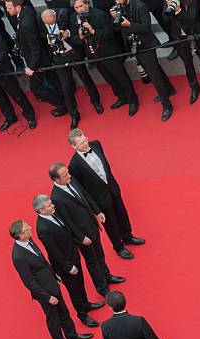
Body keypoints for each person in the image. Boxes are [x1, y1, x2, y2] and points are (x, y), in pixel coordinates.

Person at [9, 219, 93, 339]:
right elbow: (29, 282)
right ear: (20, 235)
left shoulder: (30, 241)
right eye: (27, 228)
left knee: (64, 313)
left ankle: (72, 336)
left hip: (53, 284)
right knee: (54, 322)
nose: (30, 227)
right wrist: (47, 297)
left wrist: (55, 274)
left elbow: (42, 260)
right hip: (45, 294)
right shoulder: (18, 256)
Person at [49, 162, 126, 297]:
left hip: (92, 226)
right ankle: (102, 288)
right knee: (92, 261)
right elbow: (67, 222)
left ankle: (107, 276)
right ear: (56, 179)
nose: (69, 176)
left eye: (67, 172)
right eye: (65, 175)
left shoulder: (72, 181)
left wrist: (98, 211)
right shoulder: (56, 198)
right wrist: (80, 237)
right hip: (83, 236)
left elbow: (86, 196)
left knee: (100, 255)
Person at [67, 129, 145, 260]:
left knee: (122, 212)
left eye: (85, 139)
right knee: (110, 224)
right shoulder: (74, 165)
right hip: (99, 198)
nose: (86, 144)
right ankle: (118, 247)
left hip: (112, 188)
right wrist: (94, 208)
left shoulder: (96, 144)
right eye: (81, 143)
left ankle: (128, 236)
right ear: (73, 146)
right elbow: (82, 189)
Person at [33, 194, 105, 328]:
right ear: (41, 210)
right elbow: (53, 251)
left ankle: (86, 304)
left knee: (80, 282)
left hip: (73, 255)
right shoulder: (43, 229)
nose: (53, 205)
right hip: (65, 265)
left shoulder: (53, 214)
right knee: (74, 290)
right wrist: (68, 266)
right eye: (49, 205)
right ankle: (82, 314)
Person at [70, 0, 138, 116]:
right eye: (76, 7)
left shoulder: (99, 14)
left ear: (87, 4)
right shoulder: (73, 18)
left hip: (109, 52)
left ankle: (133, 100)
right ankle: (121, 97)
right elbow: (74, 39)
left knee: (121, 76)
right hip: (94, 55)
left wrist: (93, 31)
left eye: (81, 6)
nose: (79, 9)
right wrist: (80, 37)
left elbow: (109, 34)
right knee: (109, 78)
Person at [110, 0, 174, 121]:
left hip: (146, 44)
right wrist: (114, 18)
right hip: (133, 44)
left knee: (154, 75)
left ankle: (167, 105)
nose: (117, 1)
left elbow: (146, 27)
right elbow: (116, 29)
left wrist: (129, 24)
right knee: (153, 68)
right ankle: (169, 88)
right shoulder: (118, 8)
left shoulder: (141, 6)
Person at [40, 9, 104, 129]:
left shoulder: (64, 16)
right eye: (47, 24)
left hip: (73, 53)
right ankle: (74, 114)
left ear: (55, 17)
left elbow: (73, 30)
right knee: (66, 87)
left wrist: (67, 33)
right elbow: (42, 36)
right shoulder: (42, 23)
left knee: (85, 78)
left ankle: (96, 102)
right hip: (58, 58)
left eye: (51, 22)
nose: (49, 25)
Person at [4, 0, 68, 119]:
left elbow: (35, 48)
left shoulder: (26, 24)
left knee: (36, 88)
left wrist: (32, 67)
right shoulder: (26, 11)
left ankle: (61, 104)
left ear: (17, 7)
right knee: (52, 78)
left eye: (9, 8)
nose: (7, 11)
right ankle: (64, 98)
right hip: (41, 56)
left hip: (37, 60)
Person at [163, 0, 200, 104]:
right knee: (187, 63)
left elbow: (191, 18)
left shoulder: (191, 1)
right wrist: (169, 7)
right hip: (179, 36)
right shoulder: (168, 1)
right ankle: (194, 87)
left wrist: (179, 10)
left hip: (195, 32)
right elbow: (165, 18)